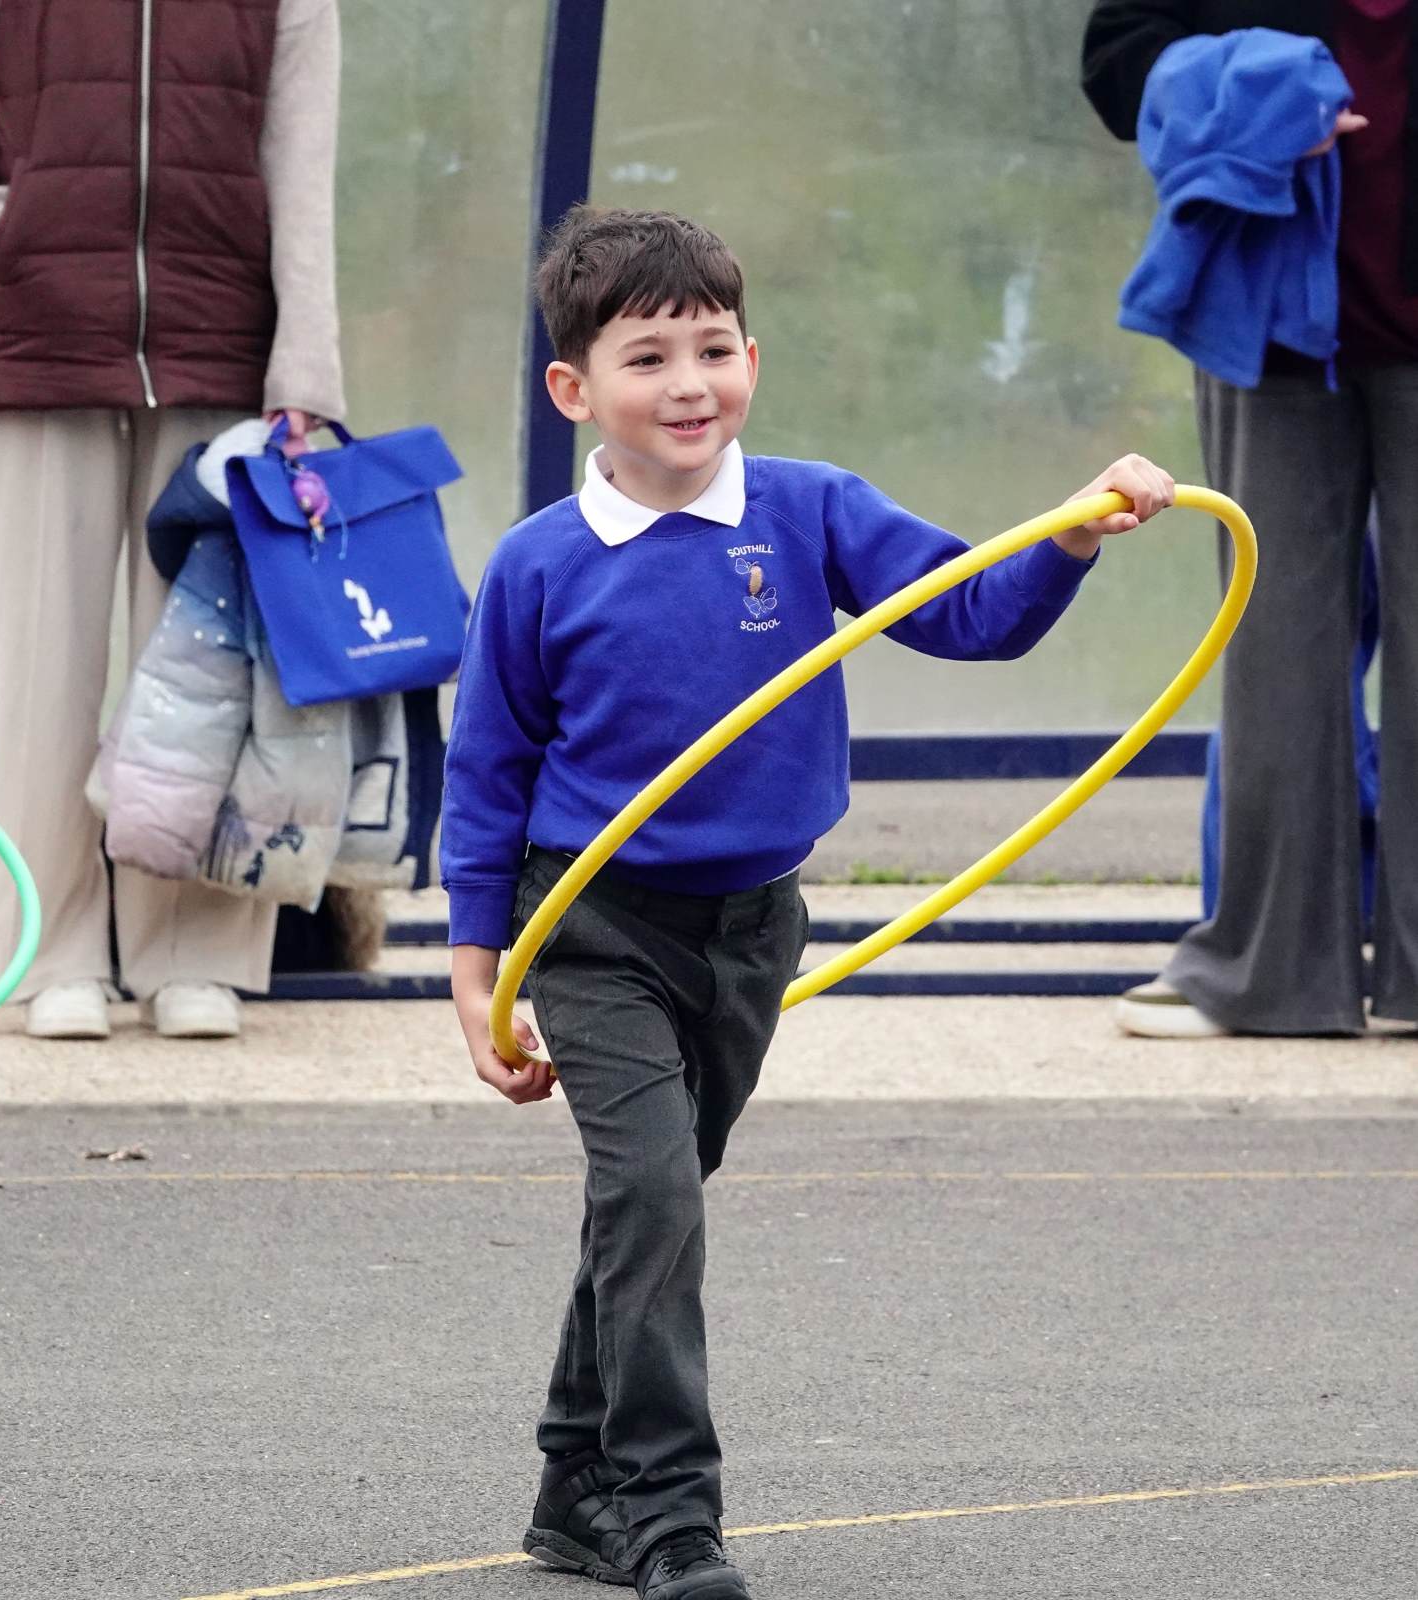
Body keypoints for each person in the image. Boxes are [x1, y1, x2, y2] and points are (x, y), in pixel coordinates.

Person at [441, 205, 1175, 1599]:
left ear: (752, 360)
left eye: (713, 348)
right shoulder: (538, 562)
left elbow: (971, 614)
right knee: (652, 1196)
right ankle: (667, 1516)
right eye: (648, 357)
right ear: (573, 389)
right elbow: (485, 775)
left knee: (649, 1207)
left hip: (753, 928)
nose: (689, 384)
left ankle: (570, 1481)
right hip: (590, 928)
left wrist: (1076, 534)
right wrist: (479, 974)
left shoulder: (812, 509)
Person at [0, 0, 345, 1039]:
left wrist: (305, 371)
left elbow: (302, 168)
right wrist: (1, 227)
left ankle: (194, 953)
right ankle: (44, 952)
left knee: (206, 672)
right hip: (28, 334)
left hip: (217, 336)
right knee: (39, 673)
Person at [1084, 1, 1418, 1038]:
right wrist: (1246, 106)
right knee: (1273, 648)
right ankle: (1267, 974)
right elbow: (1118, 55)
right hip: (1266, 317)